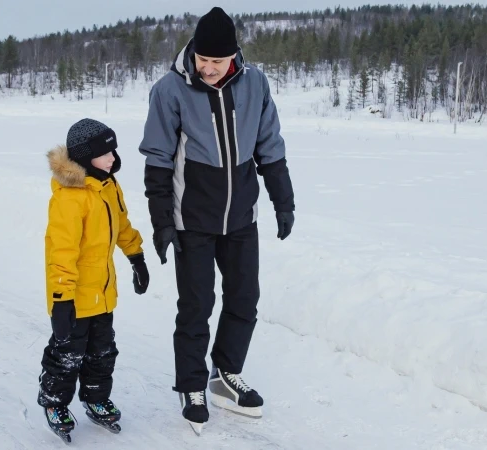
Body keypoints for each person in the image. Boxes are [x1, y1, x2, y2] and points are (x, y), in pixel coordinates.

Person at [139, 6, 295, 435]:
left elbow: (270, 146)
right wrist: (161, 222)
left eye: (216, 61)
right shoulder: (169, 91)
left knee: (245, 299)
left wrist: (284, 200)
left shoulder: (256, 84)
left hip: (242, 216)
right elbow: (157, 159)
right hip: (192, 219)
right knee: (196, 307)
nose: (207, 68)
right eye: (202, 59)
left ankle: (226, 374)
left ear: (234, 56)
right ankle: (192, 387)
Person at [38, 118, 150, 443]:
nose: (113, 157)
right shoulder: (70, 197)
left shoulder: (107, 186)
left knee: (102, 352)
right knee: (67, 354)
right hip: (73, 298)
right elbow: (60, 252)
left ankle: (96, 398)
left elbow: (123, 225)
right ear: (86, 157)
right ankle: (55, 403)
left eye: (113, 149)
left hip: (103, 295)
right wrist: (60, 301)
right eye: (105, 152)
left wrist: (136, 256)